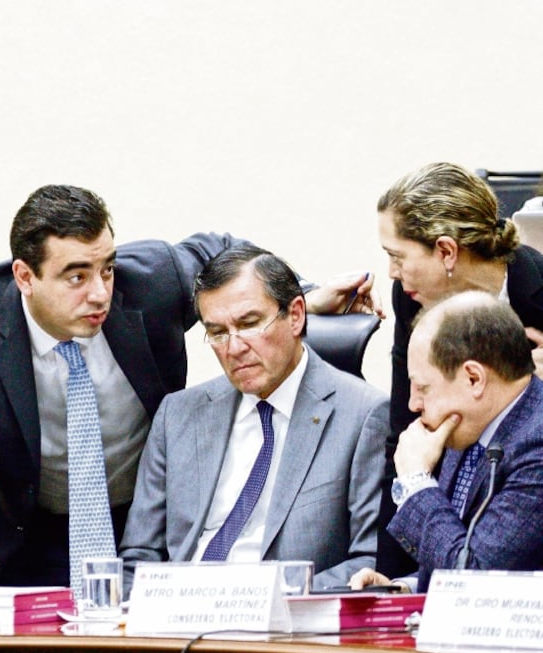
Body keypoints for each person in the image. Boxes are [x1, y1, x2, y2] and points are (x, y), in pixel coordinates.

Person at [0, 184, 377, 590]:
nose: (100, 293)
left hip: (139, 531)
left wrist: (304, 293)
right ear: (25, 277)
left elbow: (226, 252)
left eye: (107, 268)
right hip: (21, 536)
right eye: (76, 276)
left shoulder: (153, 281)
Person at [118, 246, 389, 593]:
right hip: (177, 620)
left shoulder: (364, 415)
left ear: (295, 315)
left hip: (282, 624)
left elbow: (370, 560)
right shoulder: (178, 415)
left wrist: (264, 597)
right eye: (217, 332)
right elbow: (140, 555)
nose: (233, 348)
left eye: (249, 324)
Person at [375, 161, 543, 578]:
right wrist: (395, 583)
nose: (392, 273)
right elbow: (406, 430)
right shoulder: (411, 296)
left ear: (447, 251)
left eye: (397, 257)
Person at [352, 291, 543, 593]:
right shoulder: (468, 424)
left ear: (473, 379)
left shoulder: (537, 443)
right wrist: (407, 588)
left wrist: (416, 482)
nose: (413, 404)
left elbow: (474, 582)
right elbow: (459, 547)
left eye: (422, 388)